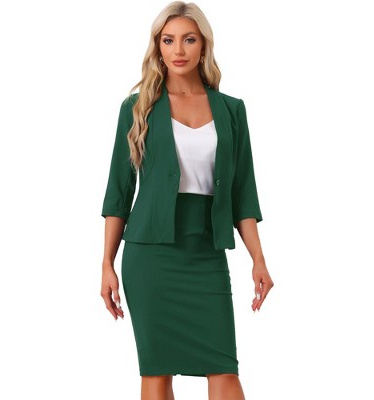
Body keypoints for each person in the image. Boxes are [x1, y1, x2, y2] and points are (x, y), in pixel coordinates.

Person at [100, 1, 274, 399]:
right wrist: (107, 264)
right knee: (157, 372)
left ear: (203, 45)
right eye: (168, 40)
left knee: (223, 369)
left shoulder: (231, 110)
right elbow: (118, 193)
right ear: (158, 47)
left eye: (189, 39)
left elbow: (243, 192)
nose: (178, 49)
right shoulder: (137, 108)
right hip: (150, 256)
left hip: (206, 253)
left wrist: (258, 259)